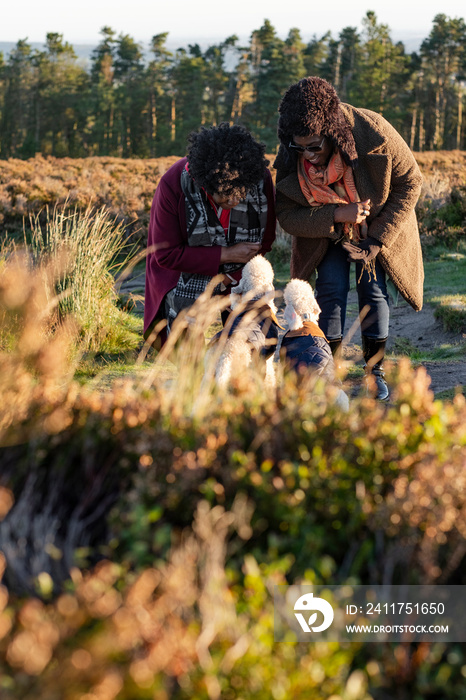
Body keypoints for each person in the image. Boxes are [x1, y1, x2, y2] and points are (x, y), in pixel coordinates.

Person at [274, 77, 424, 401]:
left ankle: (375, 374)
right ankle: (329, 373)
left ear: (333, 133)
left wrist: (378, 239)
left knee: (373, 291)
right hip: (326, 235)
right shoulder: (293, 148)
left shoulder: (374, 131)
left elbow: (411, 182)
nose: (308, 155)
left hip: (377, 229)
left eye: (315, 146)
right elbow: (285, 214)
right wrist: (337, 216)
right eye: (299, 148)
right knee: (330, 286)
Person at [143, 122, 276, 347]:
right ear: (205, 184)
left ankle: (241, 370)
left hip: (241, 271)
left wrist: (231, 277)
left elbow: (265, 241)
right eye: (225, 196)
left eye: (240, 195)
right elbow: (165, 255)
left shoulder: (258, 178)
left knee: (254, 337)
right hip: (184, 273)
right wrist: (225, 255)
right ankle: (195, 372)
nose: (234, 201)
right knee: (185, 345)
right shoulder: (174, 182)